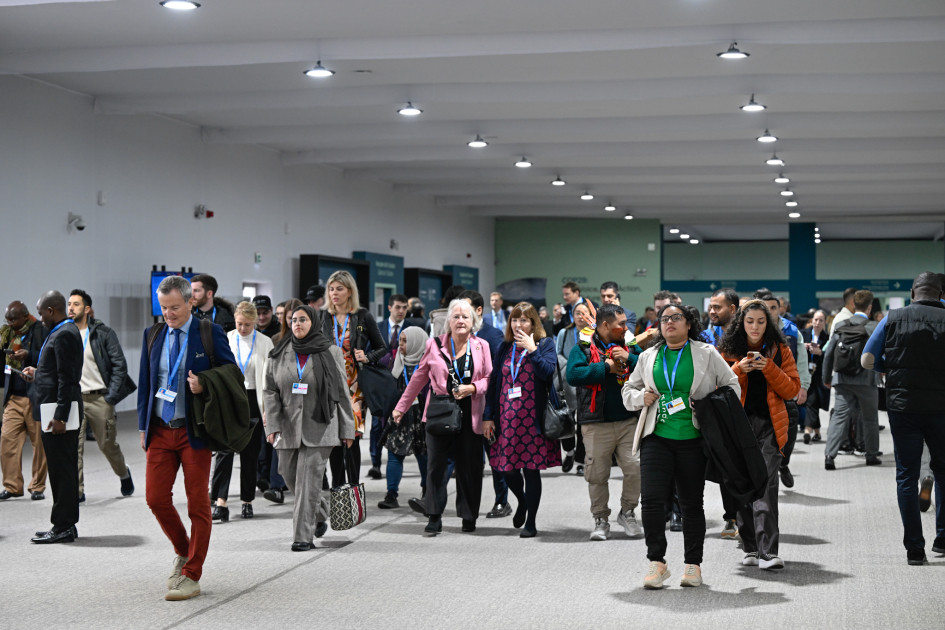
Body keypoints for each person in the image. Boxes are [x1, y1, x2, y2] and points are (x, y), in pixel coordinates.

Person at [622, 303, 740, 589]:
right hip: (656, 437)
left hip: (693, 439)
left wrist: (708, 407)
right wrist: (641, 399)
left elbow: (732, 385)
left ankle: (693, 565)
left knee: (690, 504)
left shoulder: (706, 354)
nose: (670, 322)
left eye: (677, 318)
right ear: (659, 326)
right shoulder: (649, 356)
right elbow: (628, 390)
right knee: (650, 502)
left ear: (689, 323)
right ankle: (657, 562)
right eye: (664, 319)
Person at [137, 275, 238, 601]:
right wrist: (142, 427)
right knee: (155, 498)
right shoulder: (152, 334)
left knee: (198, 504)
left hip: (194, 431)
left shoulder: (210, 333)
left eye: (175, 307)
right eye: (164, 307)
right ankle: (183, 550)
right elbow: (146, 383)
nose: (169, 314)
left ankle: (192, 574)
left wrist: (204, 383)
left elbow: (231, 373)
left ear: (190, 302)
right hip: (160, 430)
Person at [862, 272, 945, 565]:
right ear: (940, 293)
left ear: (913, 293)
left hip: (903, 406)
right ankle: (943, 538)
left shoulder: (892, 318)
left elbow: (867, 360)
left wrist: (890, 366)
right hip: (941, 407)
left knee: (906, 476)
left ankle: (914, 548)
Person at [391, 299, 493, 536]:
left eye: (465, 317)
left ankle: (468, 516)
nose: (460, 320)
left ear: (473, 321)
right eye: (455, 316)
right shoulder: (434, 345)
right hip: (439, 409)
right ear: (448, 321)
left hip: (471, 411)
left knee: (470, 467)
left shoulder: (482, 346)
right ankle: (434, 515)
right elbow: (419, 377)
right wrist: (401, 407)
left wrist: (473, 388)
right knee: (436, 467)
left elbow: (490, 378)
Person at [263, 305, 355, 551]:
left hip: (321, 426)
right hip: (287, 428)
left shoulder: (330, 352)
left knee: (307, 481)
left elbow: (342, 394)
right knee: (288, 475)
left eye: (303, 320)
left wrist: (347, 429)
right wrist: (271, 424)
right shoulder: (279, 353)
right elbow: (270, 392)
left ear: (313, 322)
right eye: (293, 320)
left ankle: (302, 537)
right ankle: (320, 512)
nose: (297, 324)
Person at [720, 299, 800, 571]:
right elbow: (716, 388)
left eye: (761, 321)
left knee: (766, 485)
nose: (755, 327)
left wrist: (768, 367)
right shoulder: (728, 350)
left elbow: (792, 390)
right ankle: (751, 546)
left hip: (770, 426)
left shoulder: (780, 350)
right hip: (737, 427)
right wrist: (738, 370)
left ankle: (768, 551)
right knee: (742, 486)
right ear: (741, 323)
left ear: (769, 324)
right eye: (750, 321)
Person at [565, 304, 642, 542]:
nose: (625, 328)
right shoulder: (583, 347)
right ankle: (600, 519)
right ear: (605, 325)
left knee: (636, 469)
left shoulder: (629, 344)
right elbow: (573, 375)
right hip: (595, 423)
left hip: (628, 420)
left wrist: (629, 358)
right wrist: (604, 367)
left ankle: (627, 511)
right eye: (621, 324)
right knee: (597, 475)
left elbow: (648, 365)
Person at [484, 302, 559, 537]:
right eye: (515, 320)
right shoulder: (504, 348)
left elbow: (548, 373)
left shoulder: (545, 344)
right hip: (507, 419)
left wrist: (532, 349)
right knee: (507, 470)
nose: (518, 324)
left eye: (524, 320)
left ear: (534, 323)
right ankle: (522, 501)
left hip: (533, 420)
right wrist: (488, 417)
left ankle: (532, 522)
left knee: (531, 470)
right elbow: (494, 382)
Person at [23, 291, 82, 544]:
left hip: (57, 416)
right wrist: (38, 373)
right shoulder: (62, 331)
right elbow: (58, 372)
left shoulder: (65, 333)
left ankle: (64, 527)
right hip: (52, 411)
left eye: (40, 312)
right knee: (59, 470)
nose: (39, 317)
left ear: (50, 310)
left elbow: (67, 379)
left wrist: (60, 416)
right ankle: (63, 524)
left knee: (62, 471)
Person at [67, 290, 135, 502]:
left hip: (99, 398)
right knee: (73, 448)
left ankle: (123, 472)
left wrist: (110, 397)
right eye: (69, 304)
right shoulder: (64, 333)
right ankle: (77, 492)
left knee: (107, 444)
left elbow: (119, 365)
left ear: (87, 309)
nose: (71, 308)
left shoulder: (103, 333)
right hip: (74, 399)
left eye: (76, 304)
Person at [322, 270, 388, 485]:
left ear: (349, 291)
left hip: (354, 385)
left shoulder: (362, 316)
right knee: (333, 437)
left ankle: (353, 487)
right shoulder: (322, 316)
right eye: (331, 289)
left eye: (339, 289)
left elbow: (382, 347)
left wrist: (367, 357)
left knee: (351, 436)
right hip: (329, 384)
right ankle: (338, 488)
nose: (334, 293)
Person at [209, 301, 273, 521]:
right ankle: (221, 501)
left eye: (247, 324)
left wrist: (268, 409)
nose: (243, 328)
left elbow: (270, 379)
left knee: (250, 453)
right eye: (239, 324)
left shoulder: (265, 343)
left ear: (255, 321)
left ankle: (247, 500)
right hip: (230, 401)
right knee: (225, 452)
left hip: (254, 401)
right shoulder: (227, 339)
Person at [823, 290, 882, 469]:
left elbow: (829, 354)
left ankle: (829, 456)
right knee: (870, 418)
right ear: (870, 307)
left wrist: (827, 378)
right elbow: (881, 352)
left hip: (842, 379)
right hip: (867, 380)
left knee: (838, 417)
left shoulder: (840, 325)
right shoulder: (873, 327)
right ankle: (871, 455)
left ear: (853, 305)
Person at [378, 327, 430, 510]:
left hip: (422, 416)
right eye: (400, 340)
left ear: (417, 341)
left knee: (423, 455)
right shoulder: (393, 359)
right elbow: (375, 364)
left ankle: (427, 492)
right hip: (400, 415)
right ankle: (391, 495)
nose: (401, 345)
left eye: (405, 341)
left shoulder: (429, 361)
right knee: (394, 454)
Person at [0, 301, 48, 501]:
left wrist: (30, 355)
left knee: (39, 444)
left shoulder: (40, 330)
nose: (10, 323)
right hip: (13, 396)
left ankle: (37, 487)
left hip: (35, 396)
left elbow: (48, 356)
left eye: (13, 319)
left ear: (25, 316)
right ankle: (12, 486)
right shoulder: (7, 333)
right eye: (7, 319)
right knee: (7, 439)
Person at [258, 297, 300, 503]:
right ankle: (276, 487)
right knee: (279, 446)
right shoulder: (275, 341)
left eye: (299, 319)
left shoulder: (318, 343)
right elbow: (269, 377)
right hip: (282, 401)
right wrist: (268, 407)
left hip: (306, 404)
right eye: (290, 319)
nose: (295, 323)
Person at [371, 293, 415, 479]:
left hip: (404, 383)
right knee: (376, 425)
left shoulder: (413, 329)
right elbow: (369, 352)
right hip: (381, 384)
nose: (401, 311)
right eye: (398, 307)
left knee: (398, 424)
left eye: (404, 307)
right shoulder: (378, 328)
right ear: (389, 308)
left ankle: (394, 461)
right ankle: (375, 464)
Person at [556, 301, 595, 474]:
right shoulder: (565, 333)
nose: (581, 316)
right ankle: (569, 452)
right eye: (577, 313)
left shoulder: (595, 333)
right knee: (567, 419)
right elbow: (557, 355)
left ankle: (581, 461)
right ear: (573, 315)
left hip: (588, 382)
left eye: (584, 312)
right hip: (567, 382)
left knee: (584, 424)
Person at [801, 310, 829, 443]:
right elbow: (795, 350)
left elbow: (830, 357)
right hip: (805, 373)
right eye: (816, 320)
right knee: (812, 401)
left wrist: (820, 353)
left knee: (813, 402)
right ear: (811, 321)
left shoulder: (827, 338)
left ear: (825, 322)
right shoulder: (804, 334)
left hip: (818, 375)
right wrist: (803, 347)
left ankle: (812, 431)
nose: (817, 323)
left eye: (821, 320)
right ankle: (811, 430)